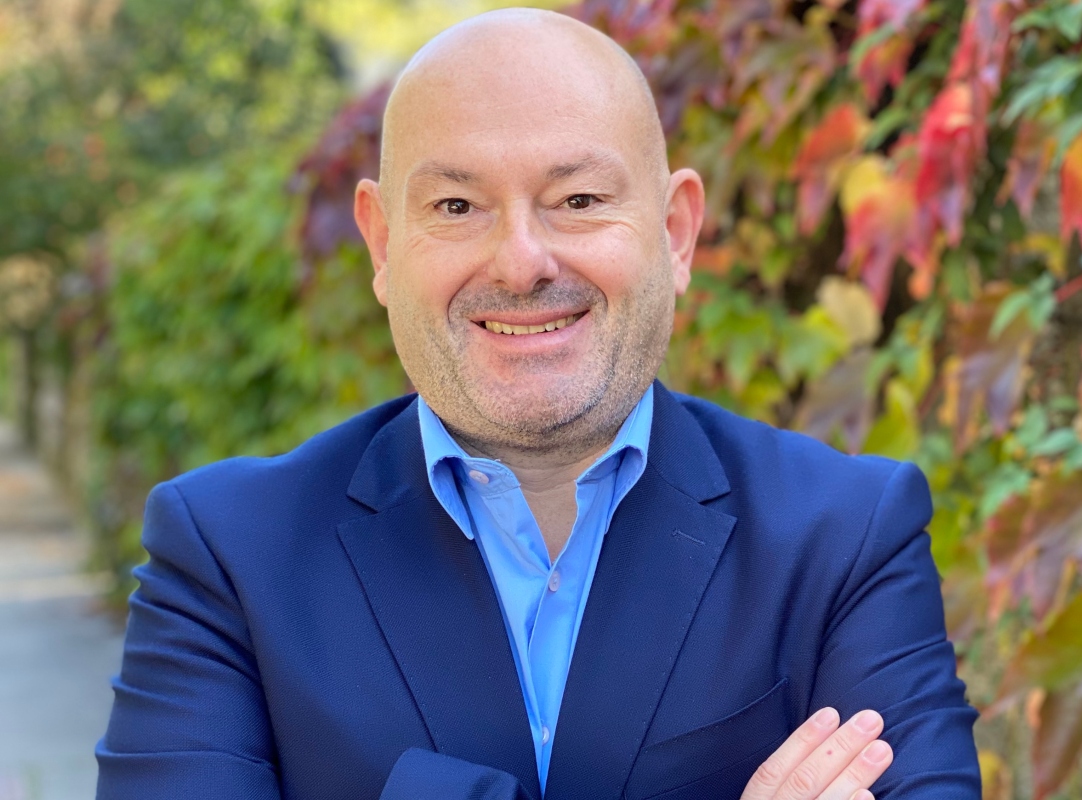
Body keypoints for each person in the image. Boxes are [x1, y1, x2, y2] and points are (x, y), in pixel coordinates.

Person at [95, 8, 980, 799]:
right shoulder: (228, 556)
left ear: (675, 232)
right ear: (383, 242)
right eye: (456, 205)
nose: (521, 263)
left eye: (578, 200)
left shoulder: (847, 536)